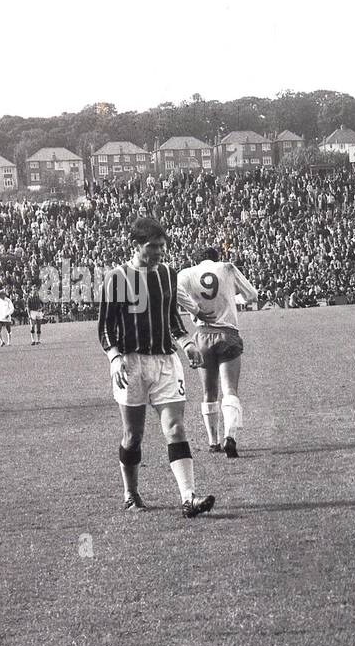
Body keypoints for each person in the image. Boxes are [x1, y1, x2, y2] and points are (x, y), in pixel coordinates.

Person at [98, 217, 214, 516]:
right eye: (153, 246)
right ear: (136, 245)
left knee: (175, 428)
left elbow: (171, 317)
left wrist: (186, 342)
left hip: (165, 362)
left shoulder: (167, 274)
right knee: (133, 436)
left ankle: (188, 498)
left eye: (163, 246)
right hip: (130, 363)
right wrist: (114, 359)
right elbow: (106, 328)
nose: (160, 251)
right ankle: (131, 492)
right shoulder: (117, 277)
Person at [176, 246, 258, 458]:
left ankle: (213, 441)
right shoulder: (227, 267)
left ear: (196, 260)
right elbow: (252, 295)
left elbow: (173, 292)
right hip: (227, 333)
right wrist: (233, 298)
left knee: (208, 391)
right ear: (216, 258)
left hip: (202, 335)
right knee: (230, 390)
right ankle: (230, 436)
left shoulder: (186, 273)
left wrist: (195, 309)